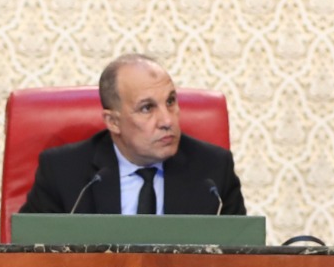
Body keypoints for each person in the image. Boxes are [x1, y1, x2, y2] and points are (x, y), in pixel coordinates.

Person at [19, 53, 248, 217]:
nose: (167, 121)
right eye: (147, 108)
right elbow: (27, 256)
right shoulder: (63, 172)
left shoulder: (213, 171)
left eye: (170, 101)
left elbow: (240, 262)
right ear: (113, 122)